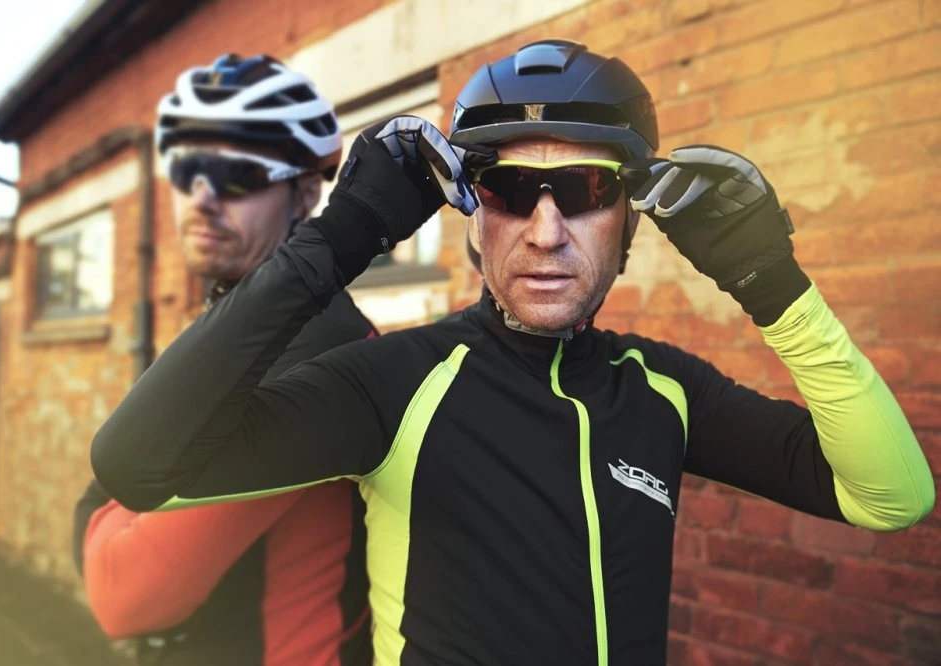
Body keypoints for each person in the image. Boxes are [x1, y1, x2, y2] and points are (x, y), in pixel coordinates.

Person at [90, 40, 935, 665]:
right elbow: (138, 465)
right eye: (508, 189)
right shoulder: (397, 384)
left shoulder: (664, 390)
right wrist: (340, 236)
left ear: (629, 220)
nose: (545, 230)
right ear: (474, 217)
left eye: (586, 189)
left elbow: (891, 496)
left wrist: (773, 285)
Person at [73, 54, 375, 666]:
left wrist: (94, 510)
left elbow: (123, 591)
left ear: (305, 192)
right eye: (188, 170)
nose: (203, 198)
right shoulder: (236, 332)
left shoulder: (313, 347)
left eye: (237, 175)